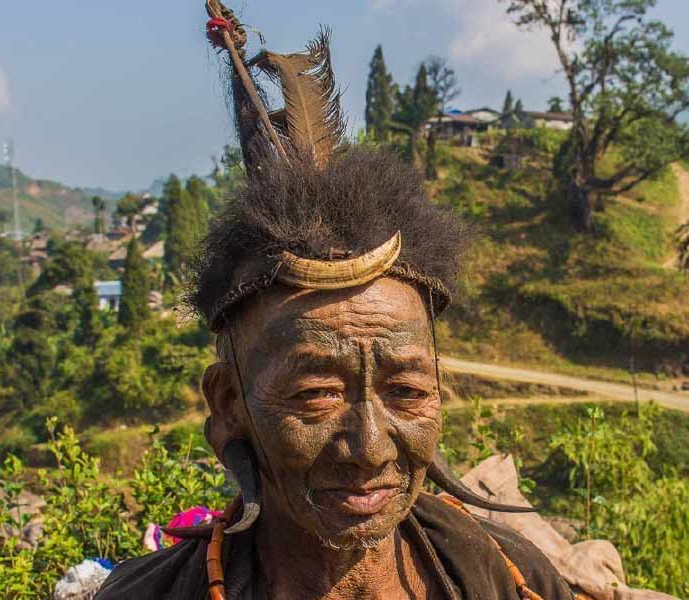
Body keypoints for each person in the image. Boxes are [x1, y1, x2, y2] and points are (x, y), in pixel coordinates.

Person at [96, 3, 576, 599]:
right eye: (315, 395)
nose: (369, 448)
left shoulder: (509, 578)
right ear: (228, 403)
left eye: (406, 391)